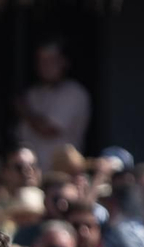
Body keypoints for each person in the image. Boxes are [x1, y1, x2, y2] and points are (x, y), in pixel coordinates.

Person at [15, 39, 90, 170]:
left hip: (61, 176)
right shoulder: (33, 93)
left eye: (51, 60)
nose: (45, 65)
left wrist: (23, 110)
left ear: (64, 62)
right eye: (41, 60)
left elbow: (48, 129)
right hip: (32, 174)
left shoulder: (73, 92)